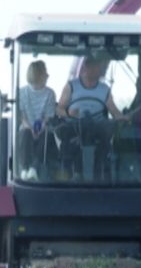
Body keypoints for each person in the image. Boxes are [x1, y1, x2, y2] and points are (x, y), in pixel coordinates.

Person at [54, 52, 128, 181]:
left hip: (97, 129)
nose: (96, 71)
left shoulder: (105, 89)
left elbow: (114, 111)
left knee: (104, 129)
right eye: (93, 67)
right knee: (74, 131)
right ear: (85, 68)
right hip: (74, 127)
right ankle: (73, 173)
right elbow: (58, 109)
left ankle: (100, 174)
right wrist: (68, 113)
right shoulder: (71, 86)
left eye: (98, 68)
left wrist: (122, 117)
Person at [17, 60, 58, 180]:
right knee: (25, 134)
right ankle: (24, 169)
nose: (47, 76)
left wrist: (41, 128)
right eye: (45, 73)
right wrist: (29, 127)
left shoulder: (50, 93)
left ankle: (34, 168)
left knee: (46, 135)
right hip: (26, 126)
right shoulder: (22, 92)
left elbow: (48, 116)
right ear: (38, 75)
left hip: (43, 128)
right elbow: (22, 116)